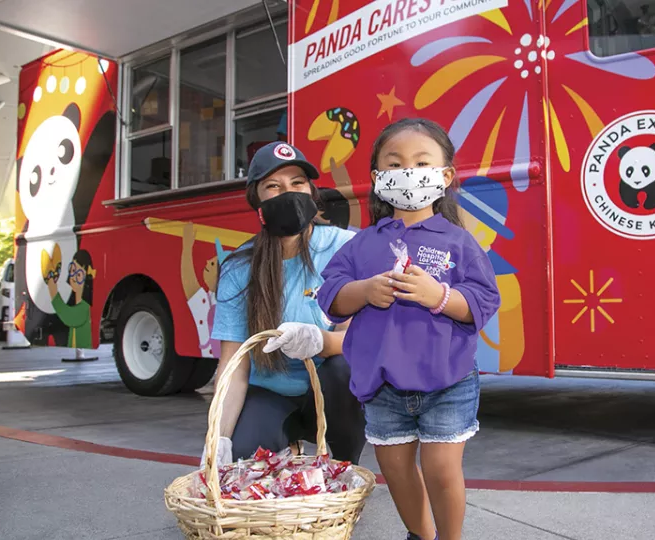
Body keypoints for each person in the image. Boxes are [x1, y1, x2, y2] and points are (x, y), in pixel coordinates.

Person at [317, 118, 500, 540]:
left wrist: (438, 295)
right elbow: (330, 295)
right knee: (396, 473)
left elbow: (483, 301)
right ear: (379, 178)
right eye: (395, 164)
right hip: (381, 388)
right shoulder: (362, 243)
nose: (409, 172)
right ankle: (421, 535)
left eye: (421, 163)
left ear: (445, 176)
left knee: (440, 469)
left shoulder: (458, 242)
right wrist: (364, 291)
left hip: (447, 381)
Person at [204, 141, 366, 468]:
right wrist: (217, 436)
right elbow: (233, 366)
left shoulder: (348, 248)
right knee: (243, 463)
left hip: (332, 390)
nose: (288, 193)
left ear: (312, 191)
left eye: (297, 183)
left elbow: (360, 340)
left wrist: (321, 341)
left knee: (345, 368)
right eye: (273, 186)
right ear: (256, 200)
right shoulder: (239, 268)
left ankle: (347, 465)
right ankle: (284, 443)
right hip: (271, 393)